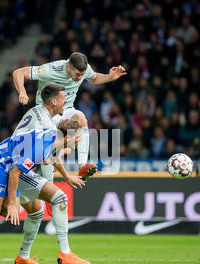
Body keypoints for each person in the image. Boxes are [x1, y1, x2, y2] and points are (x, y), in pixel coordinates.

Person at [0, 84, 91, 264]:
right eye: (77, 137)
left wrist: (66, 176)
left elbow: (53, 156)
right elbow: (16, 171)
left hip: (4, 163)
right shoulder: (42, 147)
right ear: (68, 136)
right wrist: (15, 201)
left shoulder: (51, 136)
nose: (79, 140)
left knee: (4, 209)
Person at [12, 51, 127, 179]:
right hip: (46, 113)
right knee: (48, 159)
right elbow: (19, 72)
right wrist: (22, 92)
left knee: (81, 119)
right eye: (77, 74)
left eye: (82, 75)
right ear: (67, 67)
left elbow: (93, 78)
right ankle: (47, 181)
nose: (79, 78)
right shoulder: (50, 69)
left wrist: (110, 77)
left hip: (66, 110)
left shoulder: (85, 69)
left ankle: (82, 167)